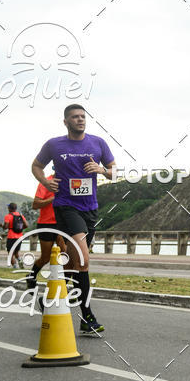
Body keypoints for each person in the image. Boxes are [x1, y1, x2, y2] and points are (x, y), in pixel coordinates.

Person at [31, 104, 115, 334]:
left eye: (83, 116)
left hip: (90, 209)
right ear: (65, 122)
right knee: (84, 261)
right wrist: (46, 182)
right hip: (66, 208)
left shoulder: (98, 143)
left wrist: (102, 170)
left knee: (71, 263)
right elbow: (36, 166)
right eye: (75, 117)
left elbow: (115, 172)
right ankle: (87, 317)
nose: (80, 120)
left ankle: (49, 301)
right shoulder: (54, 144)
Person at [26, 173, 66, 292]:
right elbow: (35, 204)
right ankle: (31, 276)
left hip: (62, 223)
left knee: (65, 254)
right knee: (45, 257)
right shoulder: (46, 182)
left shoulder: (69, 180)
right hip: (46, 224)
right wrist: (53, 199)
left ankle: (60, 284)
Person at [0, 203, 27, 269]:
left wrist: (2, 226)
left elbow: (6, 227)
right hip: (19, 237)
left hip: (11, 237)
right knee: (16, 253)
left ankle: (15, 267)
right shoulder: (21, 215)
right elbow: (26, 225)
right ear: (15, 208)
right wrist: (19, 229)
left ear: (9, 208)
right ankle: (20, 263)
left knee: (10, 253)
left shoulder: (8, 216)